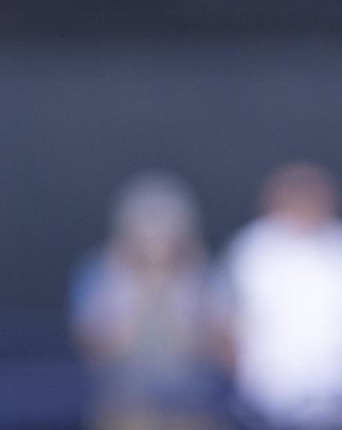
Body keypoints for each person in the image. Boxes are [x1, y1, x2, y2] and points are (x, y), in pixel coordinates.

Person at [217, 163, 342, 430]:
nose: (305, 203)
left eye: (312, 195)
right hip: (269, 395)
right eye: (296, 194)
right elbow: (222, 323)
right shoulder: (249, 249)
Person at [69, 171, 227, 430]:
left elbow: (218, 343)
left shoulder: (203, 273)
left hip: (193, 402)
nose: (156, 240)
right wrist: (138, 288)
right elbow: (94, 344)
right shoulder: (101, 272)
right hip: (125, 402)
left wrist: (182, 288)